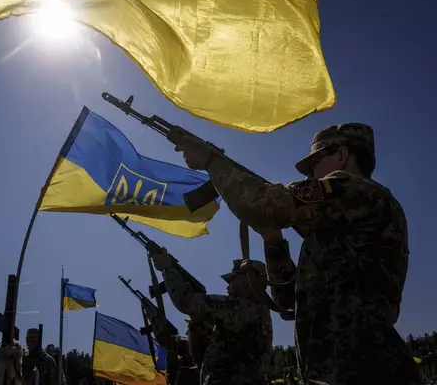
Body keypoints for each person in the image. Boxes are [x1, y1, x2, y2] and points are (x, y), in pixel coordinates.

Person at [175, 123, 420, 385]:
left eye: (316, 161)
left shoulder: (356, 190)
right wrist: (273, 240)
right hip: (341, 368)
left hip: (363, 369)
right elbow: (289, 301)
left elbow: (259, 204)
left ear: (342, 155)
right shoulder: (340, 225)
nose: (311, 173)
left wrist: (211, 160)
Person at [150, 251, 273, 385]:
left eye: (232, 280)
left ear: (246, 281)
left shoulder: (247, 309)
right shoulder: (252, 312)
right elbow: (195, 349)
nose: (228, 286)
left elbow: (188, 302)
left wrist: (168, 269)